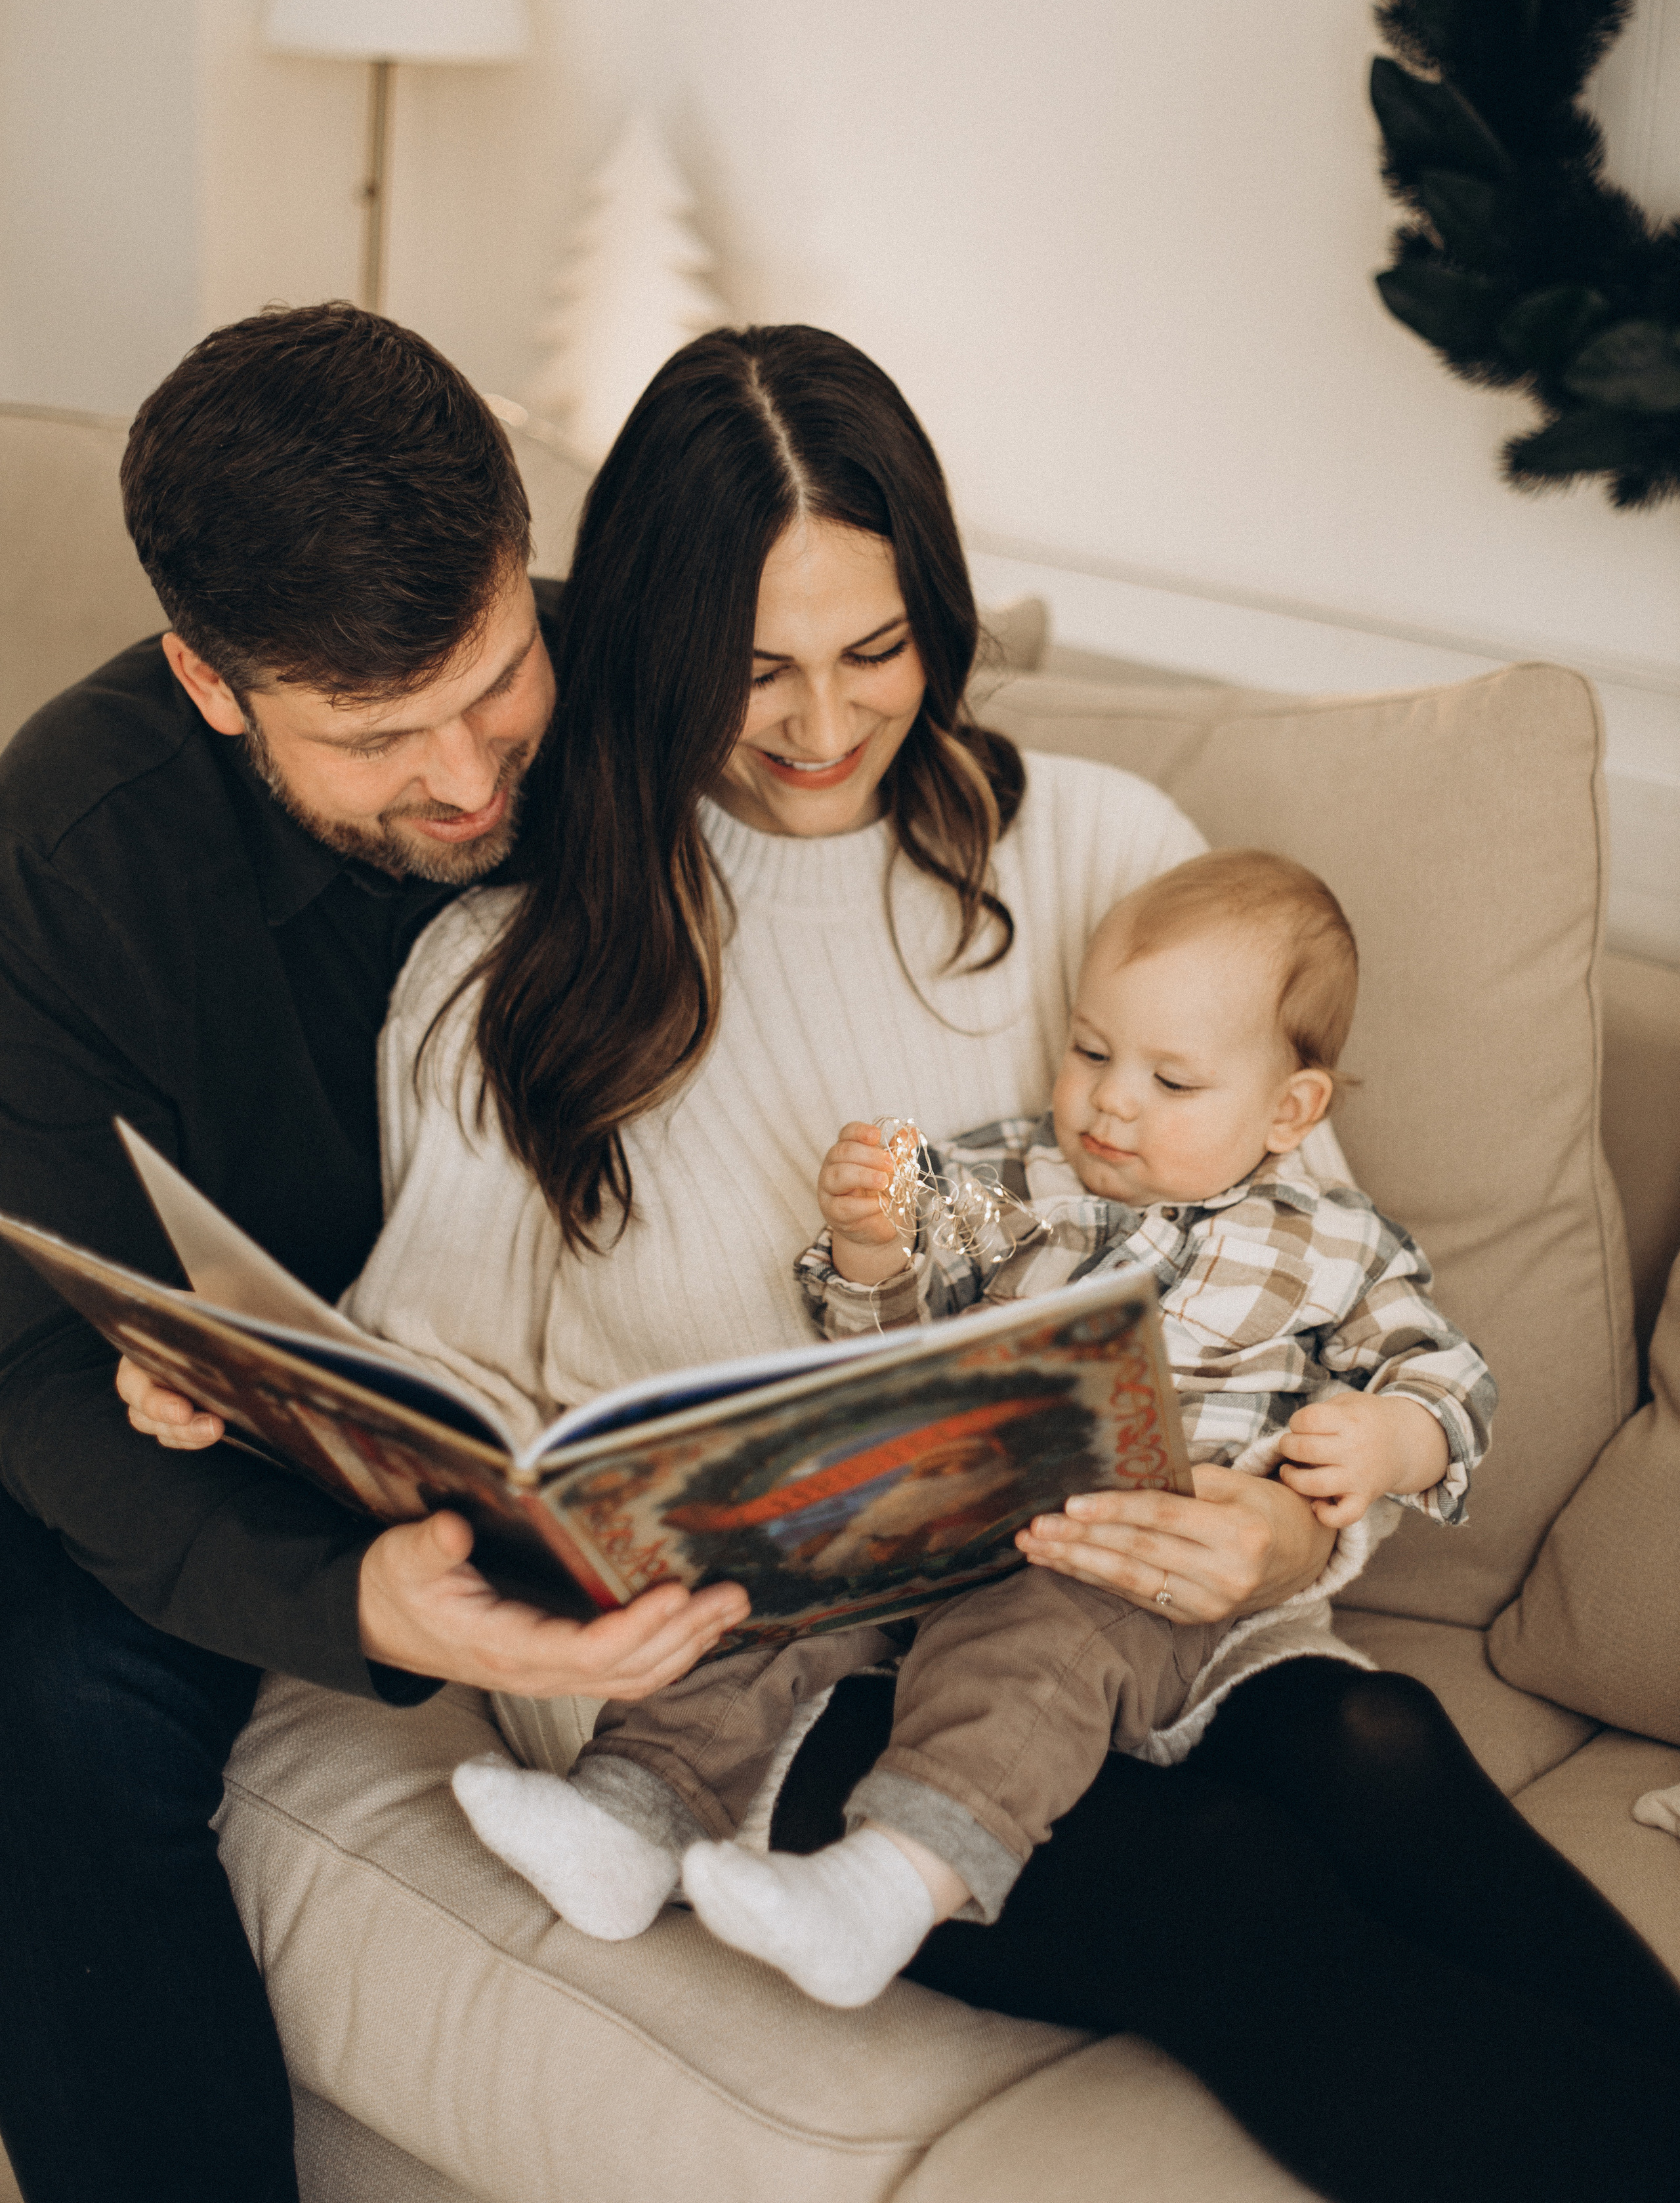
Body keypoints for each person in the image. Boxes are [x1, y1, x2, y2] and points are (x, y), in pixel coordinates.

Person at [321, 325, 1680, 2201]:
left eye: (874, 652)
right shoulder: (504, 980)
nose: (820, 725)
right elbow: (439, 1402)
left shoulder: (1102, 854)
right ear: (649, 646)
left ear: (939, 615)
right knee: (1215, 1888)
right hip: (753, 1668)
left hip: (1132, 1609)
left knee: (1377, 1747)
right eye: (755, 670)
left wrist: (1287, 1535)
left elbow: (1308, 1279)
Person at [0, 304, 747, 2203]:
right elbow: (26, 1364)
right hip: (253, 1455)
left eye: (490, 679)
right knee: (45, 1721)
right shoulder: (67, 863)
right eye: (374, 735)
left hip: (640, 1402)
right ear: (209, 679)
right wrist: (360, 1615)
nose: (468, 780)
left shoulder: (662, 707)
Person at [448, 849, 1498, 2010]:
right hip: (940, 1509)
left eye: (1173, 1081)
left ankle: (890, 1882)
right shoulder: (1005, 1182)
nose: (1112, 1099)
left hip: (1127, 1572)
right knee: (767, 1595)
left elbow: (1446, 1377)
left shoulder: (1335, 1246)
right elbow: (884, 1345)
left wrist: (1391, 1442)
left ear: (1290, 1109)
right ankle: (626, 1818)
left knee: (1025, 1654)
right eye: (1092, 1052)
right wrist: (869, 1244)